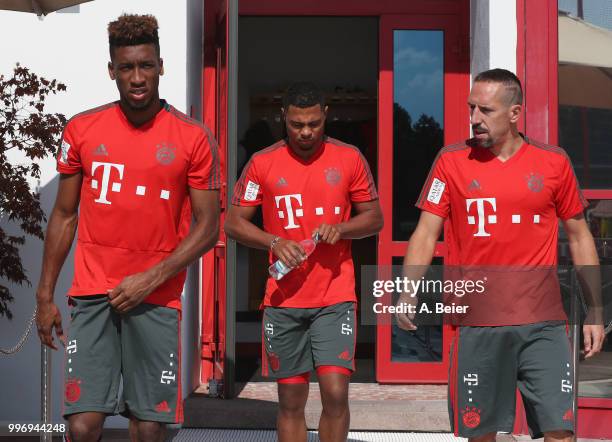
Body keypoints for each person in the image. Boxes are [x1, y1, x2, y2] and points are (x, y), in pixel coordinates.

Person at [35, 14, 220, 442]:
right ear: (111, 71)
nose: (137, 78)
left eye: (146, 65)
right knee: (83, 425)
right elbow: (64, 215)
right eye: (126, 68)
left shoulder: (193, 138)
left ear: (161, 65)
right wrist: (45, 294)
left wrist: (152, 276)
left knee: (150, 426)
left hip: (156, 298)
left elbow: (209, 226)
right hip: (91, 294)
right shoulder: (81, 129)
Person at [397, 68, 604, 442]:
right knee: (482, 435)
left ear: (514, 113)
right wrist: (408, 290)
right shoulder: (451, 161)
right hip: (477, 324)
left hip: (543, 324)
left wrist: (596, 310)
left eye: (486, 110)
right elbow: (426, 232)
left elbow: (579, 237)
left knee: (561, 431)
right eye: (471, 108)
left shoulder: (553, 162)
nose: (475, 118)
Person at [224, 82, 383, 442]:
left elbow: (375, 218)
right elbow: (233, 223)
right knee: (291, 401)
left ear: (326, 115)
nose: (306, 132)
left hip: (334, 297)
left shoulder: (349, 157)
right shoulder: (262, 162)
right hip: (283, 300)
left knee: (335, 392)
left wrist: (342, 229)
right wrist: (274, 241)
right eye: (297, 124)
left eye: (313, 123)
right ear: (284, 118)